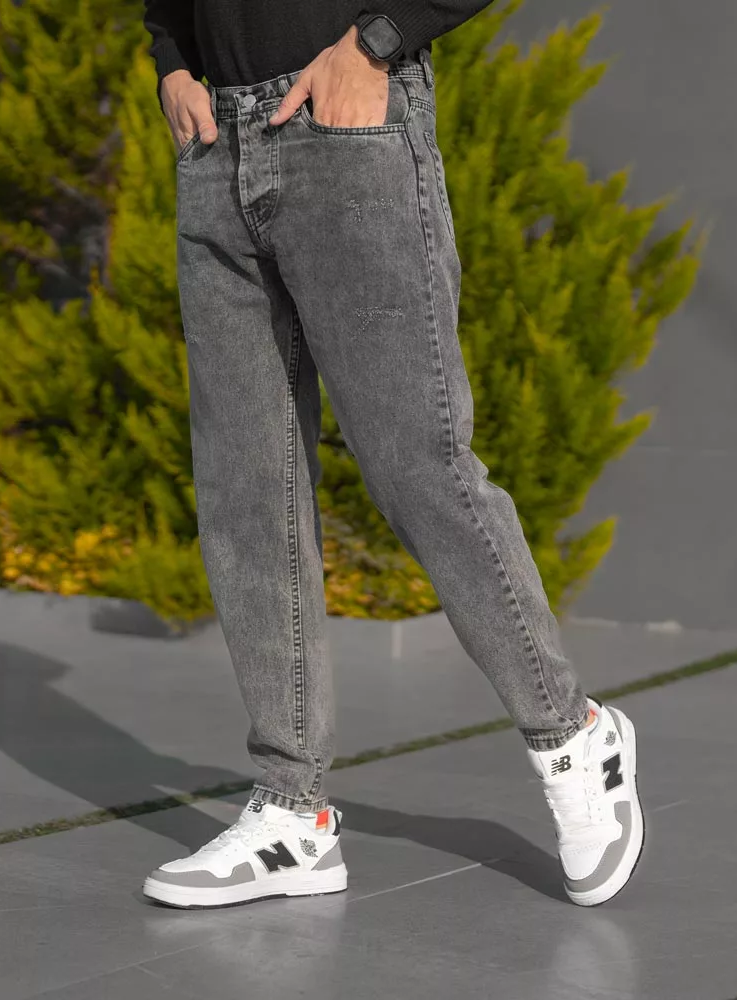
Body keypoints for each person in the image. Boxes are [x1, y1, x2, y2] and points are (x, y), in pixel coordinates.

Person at [139, 1, 645, 910]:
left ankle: (573, 737)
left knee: (420, 466)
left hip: (346, 129)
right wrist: (171, 59)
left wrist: (375, 43)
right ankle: (293, 811)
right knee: (247, 490)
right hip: (215, 143)